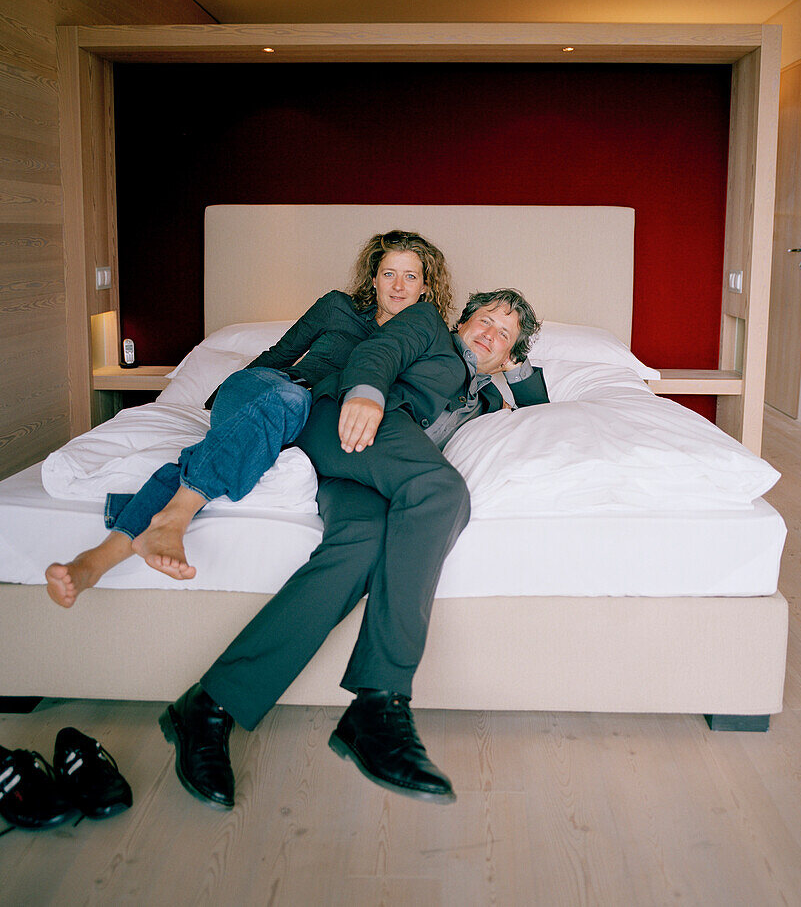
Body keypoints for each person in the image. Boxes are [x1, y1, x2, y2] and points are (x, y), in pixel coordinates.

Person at [160, 288, 548, 809]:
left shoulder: (482, 402)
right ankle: (380, 703)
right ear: (460, 322)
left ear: (509, 356)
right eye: (483, 319)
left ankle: (209, 705)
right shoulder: (428, 327)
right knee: (441, 491)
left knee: (361, 544)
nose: (489, 332)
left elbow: (540, 414)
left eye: (504, 334)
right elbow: (377, 352)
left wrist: (518, 368)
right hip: (347, 419)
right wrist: (365, 390)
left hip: (369, 469)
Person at [44, 231, 452, 607]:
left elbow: (462, 374)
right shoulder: (336, 307)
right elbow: (278, 355)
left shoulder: (420, 338)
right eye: (389, 274)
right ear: (374, 278)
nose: (398, 286)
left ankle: (98, 558)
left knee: (237, 447)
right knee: (288, 399)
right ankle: (167, 522)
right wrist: (221, 401)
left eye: (410, 277)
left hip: (303, 421)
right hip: (269, 387)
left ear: (425, 286)